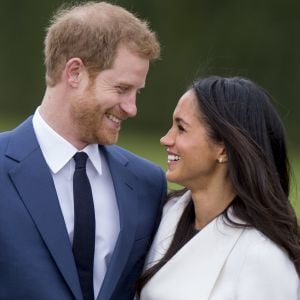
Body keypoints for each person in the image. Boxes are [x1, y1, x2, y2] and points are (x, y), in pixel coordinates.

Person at [0, 2, 167, 300]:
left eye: (136, 92)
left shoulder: (147, 184)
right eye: (121, 89)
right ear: (75, 72)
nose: (132, 109)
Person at [136, 76, 300, 299]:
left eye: (181, 128)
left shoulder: (264, 257)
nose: (166, 139)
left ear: (222, 150)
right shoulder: (164, 214)